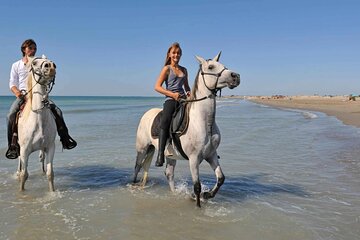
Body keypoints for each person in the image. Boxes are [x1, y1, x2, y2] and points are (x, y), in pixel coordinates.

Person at [5, 39, 77, 159]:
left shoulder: (39, 62)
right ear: (24, 49)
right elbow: (12, 83)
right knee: (10, 115)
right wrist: (18, 93)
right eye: (30, 48)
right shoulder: (16, 65)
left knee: (58, 111)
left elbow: (47, 73)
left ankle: (65, 139)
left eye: (35, 48)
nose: (33, 50)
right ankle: (12, 146)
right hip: (24, 95)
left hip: (39, 93)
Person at [154, 42, 191, 167]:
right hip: (170, 100)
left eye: (178, 53)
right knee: (165, 121)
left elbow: (187, 87)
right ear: (169, 54)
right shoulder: (166, 69)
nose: (176, 55)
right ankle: (160, 154)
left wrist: (190, 94)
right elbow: (157, 87)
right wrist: (172, 94)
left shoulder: (184, 70)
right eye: (174, 53)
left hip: (183, 99)